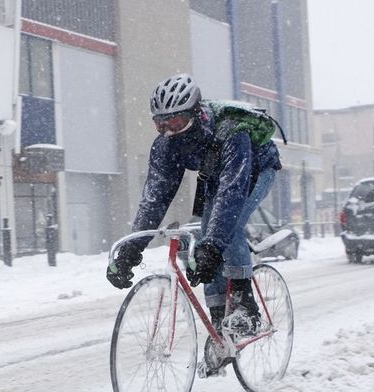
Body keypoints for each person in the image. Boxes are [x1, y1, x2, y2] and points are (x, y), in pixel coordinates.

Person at [106, 73, 282, 339]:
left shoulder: (232, 132)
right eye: (160, 124)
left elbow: (232, 193)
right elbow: (154, 200)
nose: (169, 131)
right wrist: (130, 250)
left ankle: (246, 306)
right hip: (215, 173)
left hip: (257, 169)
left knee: (225, 230)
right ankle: (220, 326)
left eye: (176, 121)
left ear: (195, 114)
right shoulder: (166, 147)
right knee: (203, 241)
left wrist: (213, 247)